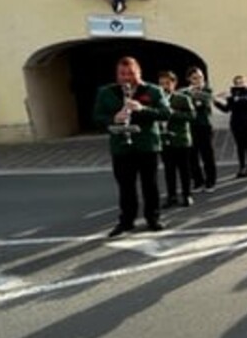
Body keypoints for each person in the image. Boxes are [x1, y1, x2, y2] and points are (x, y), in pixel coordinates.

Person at [93, 56, 171, 236]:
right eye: (122, 74)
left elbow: (166, 113)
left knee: (150, 185)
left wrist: (142, 109)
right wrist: (114, 118)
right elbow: (97, 117)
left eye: (131, 73)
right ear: (117, 74)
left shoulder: (153, 90)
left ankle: (153, 218)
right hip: (121, 146)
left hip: (147, 145)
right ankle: (126, 221)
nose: (126, 77)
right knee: (125, 186)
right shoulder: (106, 92)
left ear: (139, 73)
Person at [157, 70, 196, 207]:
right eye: (161, 84)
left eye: (167, 83)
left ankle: (187, 195)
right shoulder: (157, 100)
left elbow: (191, 116)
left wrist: (173, 113)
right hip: (165, 140)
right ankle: (171, 196)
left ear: (174, 84)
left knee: (184, 169)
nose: (164, 87)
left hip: (181, 139)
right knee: (169, 170)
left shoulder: (182, 98)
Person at [215, 75, 247, 178]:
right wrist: (216, 102)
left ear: (245, 83)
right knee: (240, 146)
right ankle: (242, 167)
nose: (239, 84)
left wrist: (232, 97)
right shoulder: (233, 94)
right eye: (237, 83)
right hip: (235, 123)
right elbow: (227, 109)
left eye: (241, 82)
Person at [185, 66, 217, 192]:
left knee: (207, 155)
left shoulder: (207, 90)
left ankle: (211, 181)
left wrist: (195, 96)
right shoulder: (185, 92)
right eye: (195, 78)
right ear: (189, 79)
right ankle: (198, 181)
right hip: (190, 126)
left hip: (204, 125)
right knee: (192, 156)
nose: (198, 80)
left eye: (200, 77)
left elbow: (203, 103)